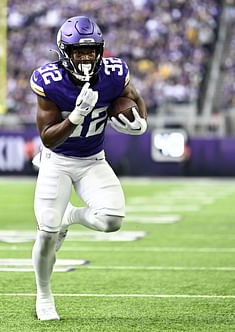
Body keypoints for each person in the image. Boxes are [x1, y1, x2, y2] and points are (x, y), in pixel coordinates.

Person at [29, 16, 148, 320]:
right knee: (46, 233)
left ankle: (71, 215)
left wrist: (141, 123)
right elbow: (48, 139)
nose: (85, 57)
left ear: (100, 50)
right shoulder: (49, 81)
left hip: (94, 159)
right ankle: (44, 296)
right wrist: (76, 116)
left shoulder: (114, 73)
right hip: (56, 160)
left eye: (91, 50)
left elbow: (134, 98)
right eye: (78, 52)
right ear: (64, 52)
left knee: (112, 220)